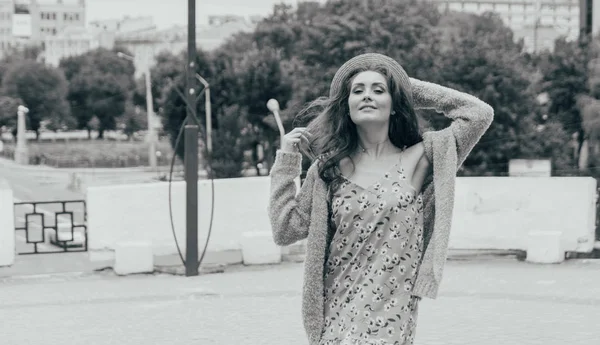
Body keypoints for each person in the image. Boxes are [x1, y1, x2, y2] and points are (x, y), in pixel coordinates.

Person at [268, 53, 494, 345]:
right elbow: (285, 229)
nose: (367, 96)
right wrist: (287, 160)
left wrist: (404, 85)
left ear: (395, 105)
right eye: (357, 91)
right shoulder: (328, 168)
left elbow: (478, 113)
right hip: (336, 313)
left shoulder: (423, 158)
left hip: (391, 314)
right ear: (346, 106)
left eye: (378, 90)